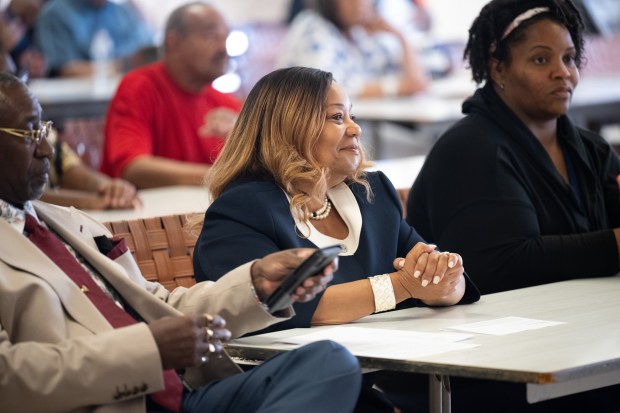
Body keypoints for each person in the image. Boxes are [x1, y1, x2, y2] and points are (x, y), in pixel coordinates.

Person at [0, 72, 362, 413]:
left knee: (331, 362)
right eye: (29, 133)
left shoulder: (65, 222)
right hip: (117, 401)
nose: (48, 150)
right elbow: (8, 377)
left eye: (44, 130)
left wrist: (255, 285)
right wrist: (148, 350)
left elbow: (161, 306)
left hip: (184, 394)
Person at [192, 66, 480, 411]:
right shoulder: (244, 209)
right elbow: (290, 307)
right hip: (279, 392)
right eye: (337, 117)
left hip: (366, 380)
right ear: (291, 126)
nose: (356, 129)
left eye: (352, 116)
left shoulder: (371, 195)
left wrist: (446, 279)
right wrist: (403, 286)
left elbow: (429, 273)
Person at [405, 1, 620, 411]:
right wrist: (614, 245)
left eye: (570, 58)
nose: (563, 72)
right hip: (478, 367)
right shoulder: (472, 150)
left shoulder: (588, 149)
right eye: (541, 59)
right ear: (498, 68)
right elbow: (502, 264)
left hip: (569, 340)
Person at [100, 2, 242, 188]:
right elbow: (132, 168)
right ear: (173, 42)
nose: (223, 48)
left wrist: (243, 138)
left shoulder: (226, 105)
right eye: (211, 36)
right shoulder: (138, 88)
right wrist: (219, 176)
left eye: (226, 37)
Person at [0, 37, 139, 210]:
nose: (20, 89)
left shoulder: (32, 126)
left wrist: (109, 188)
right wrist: (92, 203)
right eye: (7, 83)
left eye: (19, 79)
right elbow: (24, 196)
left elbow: (66, 166)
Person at [276, 0, 429, 98]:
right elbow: (325, 90)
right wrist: (397, 87)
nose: (361, 3)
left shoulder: (357, 34)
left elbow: (416, 81)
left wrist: (400, 36)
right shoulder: (313, 27)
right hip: (302, 133)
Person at [34, 0, 153, 77]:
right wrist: (121, 66)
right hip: (78, 105)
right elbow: (66, 70)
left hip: (126, 94)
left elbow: (147, 56)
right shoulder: (56, 14)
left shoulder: (123, 12)